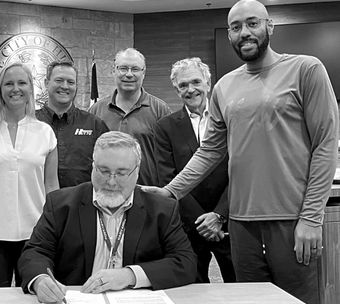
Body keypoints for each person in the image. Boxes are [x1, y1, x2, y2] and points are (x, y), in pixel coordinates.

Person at [153, 1, 338, 303]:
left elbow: (325, 145)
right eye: (236, 27)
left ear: (270, 26)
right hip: (241, 227)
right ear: (229, 35)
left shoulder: (306, 69)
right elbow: (210, 151)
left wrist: (311, 218)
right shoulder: (225, 86)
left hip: (292, 222)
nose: (245, 33)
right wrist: (170, 192)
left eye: (252, 23)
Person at [18, 131, 196, 304]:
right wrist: (40, 280)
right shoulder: (60, 205)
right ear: (93, 166)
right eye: (103, 171)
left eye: (121, 173)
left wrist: (130, 275)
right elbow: (35, 253)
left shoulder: (161, 210)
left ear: (136, 172)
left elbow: (185, 262)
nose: (111, 182)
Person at [0, 62, 59, 287]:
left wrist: (56, 232)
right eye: (8, 84)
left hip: (36, 235)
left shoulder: (45, 133)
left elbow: (52, 187)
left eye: (22, 83)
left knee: (37, 297)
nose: (15, 88)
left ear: (31, 90)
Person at [152, 57, 235, 283]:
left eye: (196, 82)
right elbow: (167, 177)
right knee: (192, 291)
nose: (191, 89)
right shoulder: (165, 128)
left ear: (208, 83)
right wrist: (202, 221)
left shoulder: (230, 119)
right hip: (189, 225)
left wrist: (219, 215)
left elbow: (240, 171)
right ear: (177, 90)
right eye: (183, 85)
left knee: (241, 289)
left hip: (229, 220)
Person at [89, 48, 171, 186]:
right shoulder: (96, 110)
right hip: (107, 190)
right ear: (113, 71)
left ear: (143, 73)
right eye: (123, 68)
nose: (129, 74)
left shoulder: (160, 110)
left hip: (147, 193)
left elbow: (169, 158)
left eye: (135, 69)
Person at [36, 61, 109, 188]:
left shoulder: (94, 125)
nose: (65, 86)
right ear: (46, 83)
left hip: (82, 205)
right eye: (59, 80)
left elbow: (107, 167)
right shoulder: (30, 122)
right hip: (37, 203)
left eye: (70, 82)